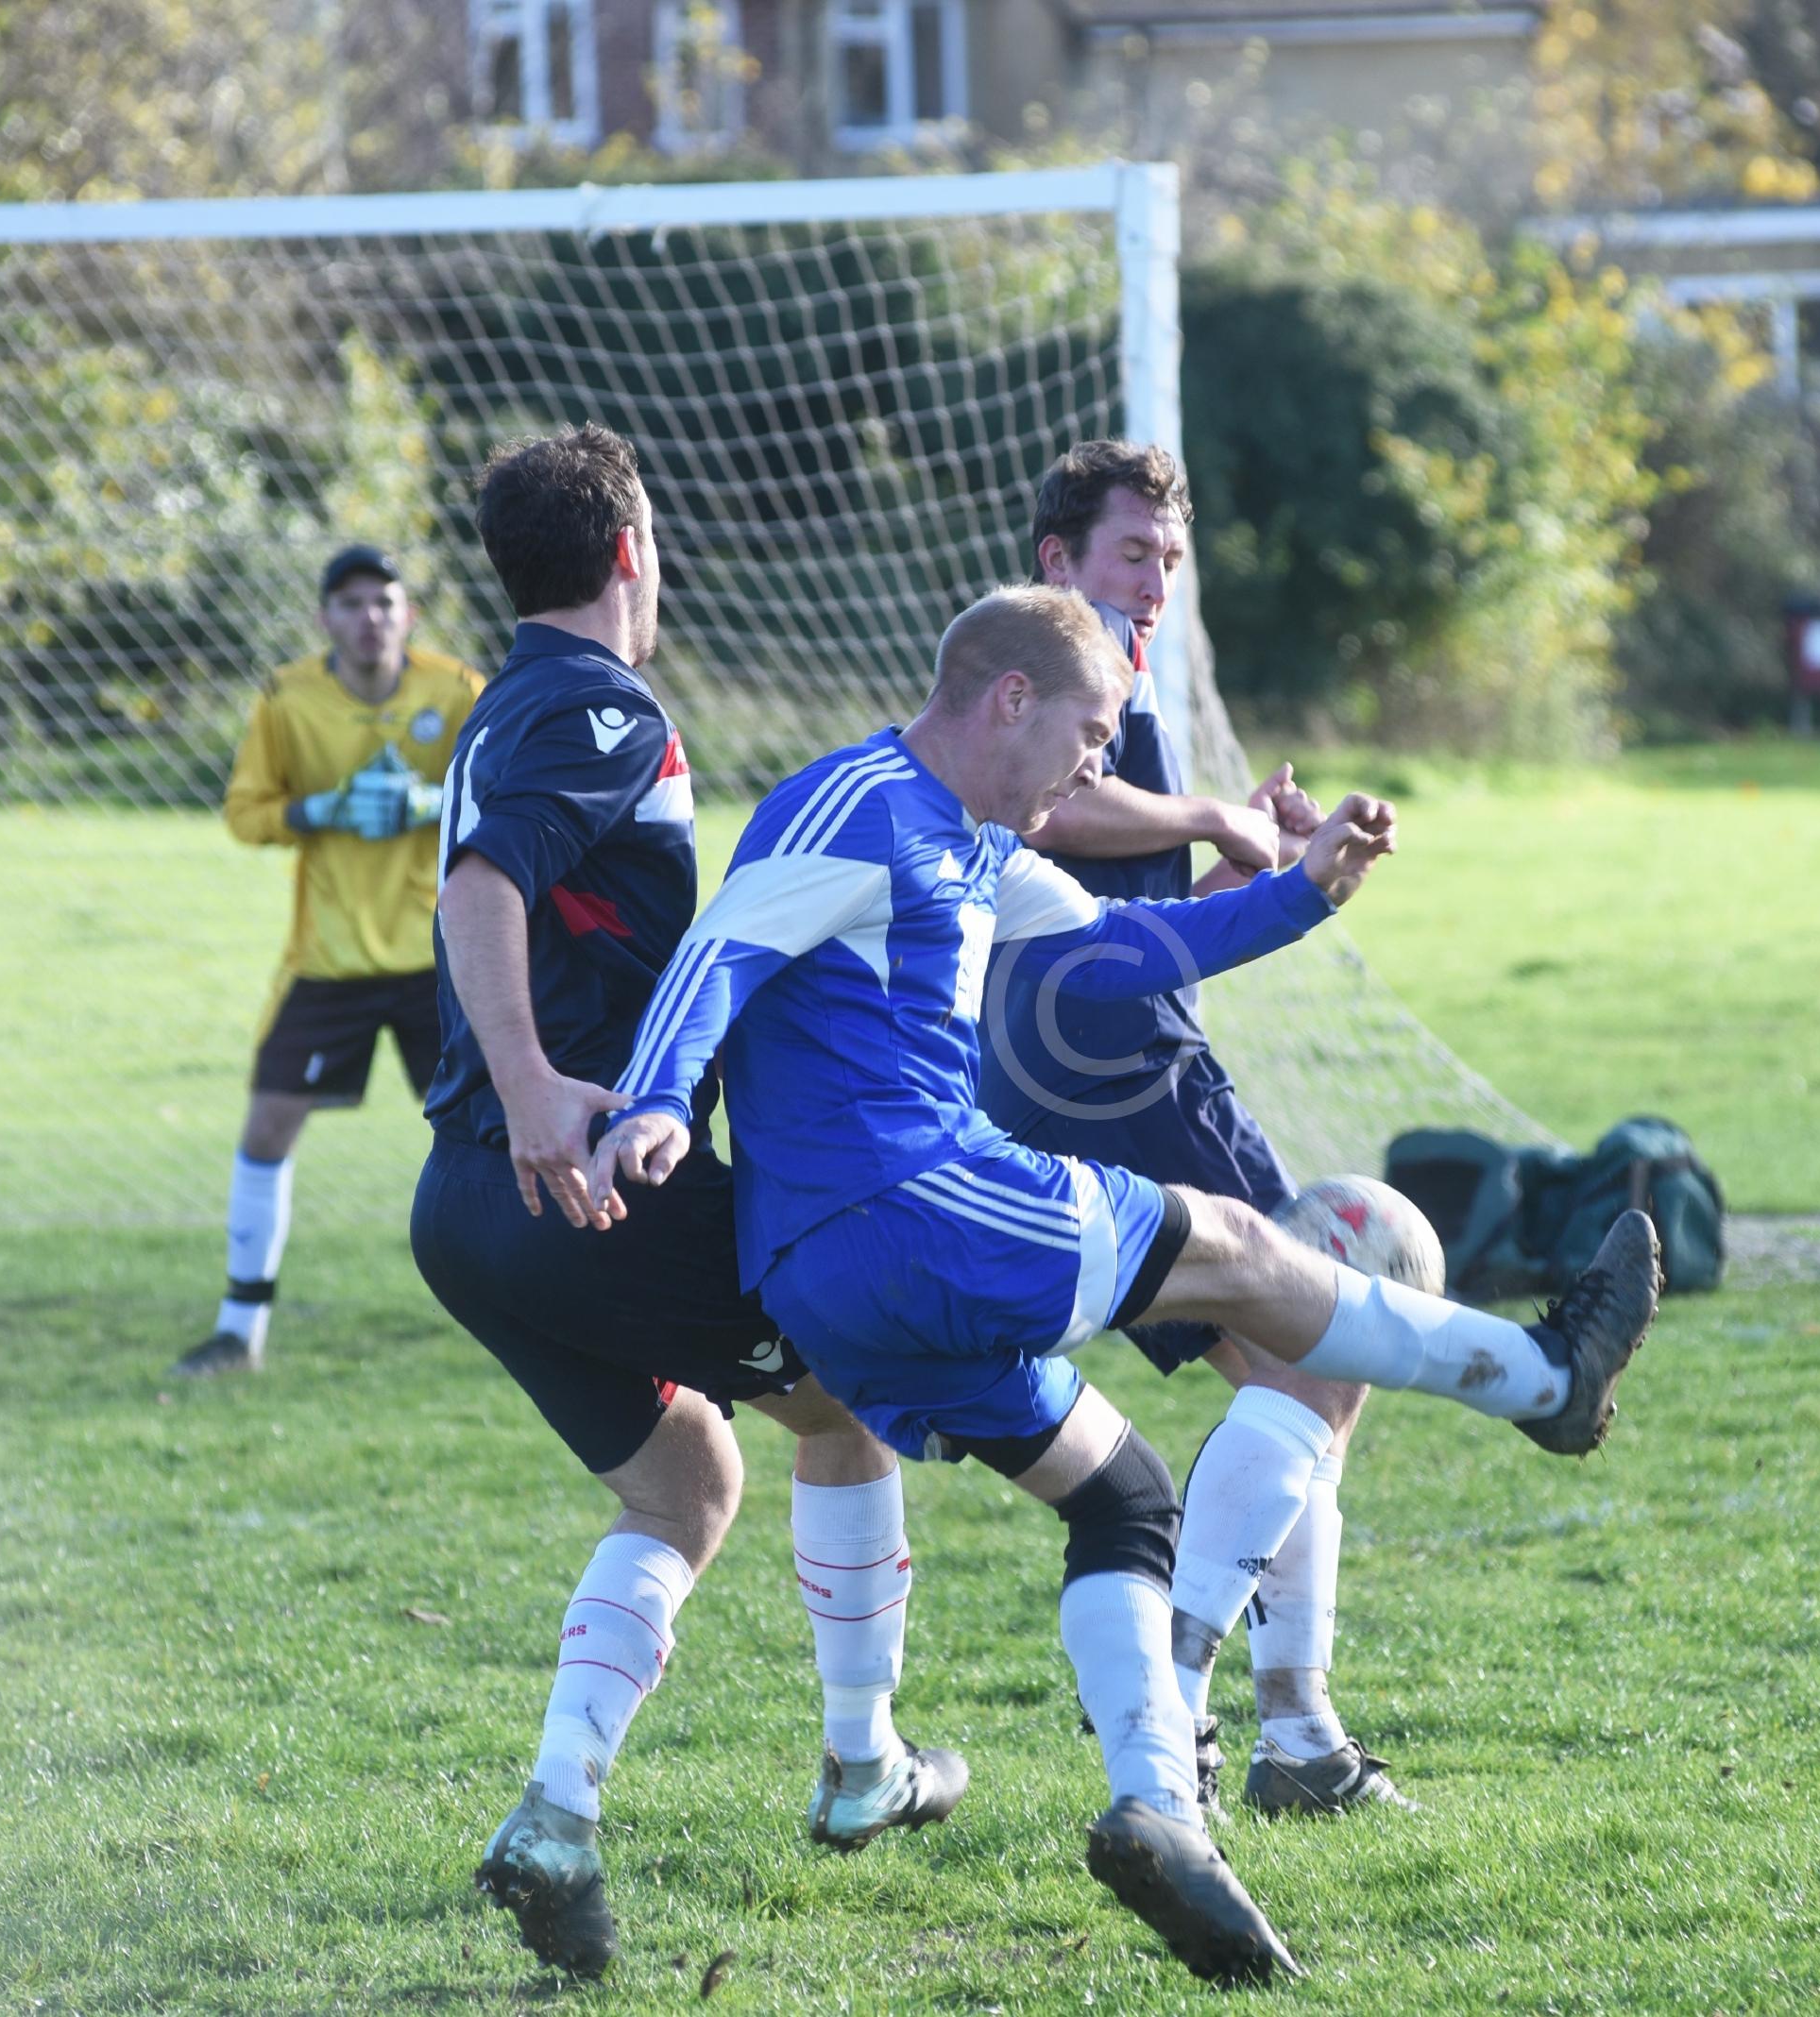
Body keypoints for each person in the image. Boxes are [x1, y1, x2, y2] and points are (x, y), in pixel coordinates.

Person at [582, 585, 1663, 1983]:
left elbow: (1126, 950)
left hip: (838, 1282)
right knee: (1246, 1251)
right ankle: (1552, 1382)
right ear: (1009, 701)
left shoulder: (982, 849)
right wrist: (656, 1097)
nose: (1098, 770)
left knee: (1125, 1494)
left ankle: (1160, 1810)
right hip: (908, 1204)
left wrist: (1303, 891)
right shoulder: (858, 804)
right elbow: (724, 947)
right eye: (1091, 735)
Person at [404, 425, 963, 1982]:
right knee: (852, 1394)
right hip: (572, 1180)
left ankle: (555, 1817)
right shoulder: (595, 705)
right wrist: (533, 1084)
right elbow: (482, 890)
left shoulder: (504, 704)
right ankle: (863, 1769)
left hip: (467, 1210)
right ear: (634, 552)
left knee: (686, 1487)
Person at [981, 440, 1392, 1819]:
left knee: (1296, 1369)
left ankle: (1299, 1739)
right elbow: (1060, 810)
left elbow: (1125, 901)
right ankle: (1209, 1701)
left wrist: (1234, 865)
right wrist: (1217, 811)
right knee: (1333, 1325)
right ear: (1059, 564)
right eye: (1130, 555)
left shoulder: (1121, 671)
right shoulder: (1056, 663)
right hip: (1109, 1065)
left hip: (1083, 1056)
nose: (1154, 583)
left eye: (1168, 558)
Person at [182, 545, 483, 1378]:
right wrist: (321, 809)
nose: (369, 618)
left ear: (409, 614)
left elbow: (504, 790)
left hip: (442, 954)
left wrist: (435, 801)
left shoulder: (457, 690)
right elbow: (245, 814)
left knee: (491, 1130)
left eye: (384, 602)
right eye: (349, 604)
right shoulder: (287, 697)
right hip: (330, 961)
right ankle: (240, 1331)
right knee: (267, 1127)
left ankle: (556, 1312)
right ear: (325, 619)